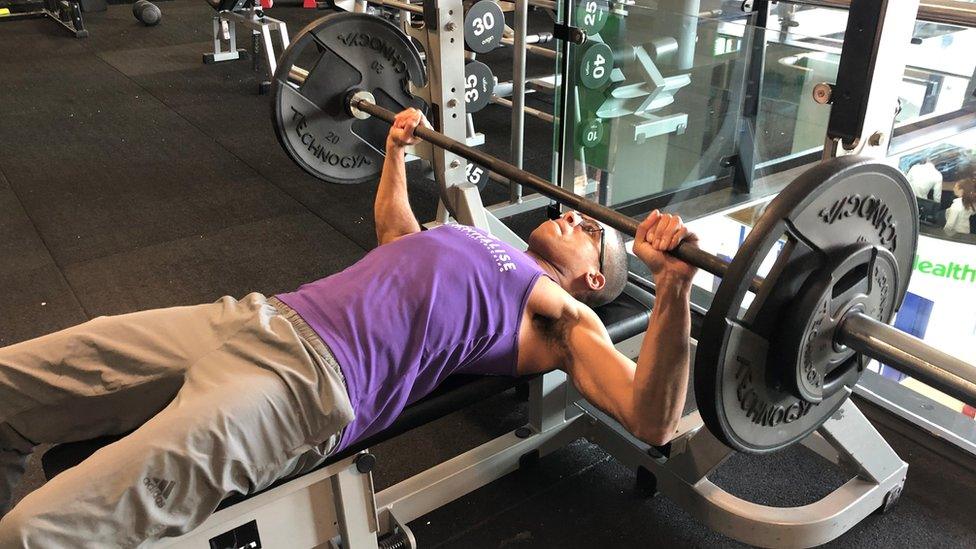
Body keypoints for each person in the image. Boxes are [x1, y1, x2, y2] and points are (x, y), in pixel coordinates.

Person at [0, 109, 698, 547]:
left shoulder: (559, 315)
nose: (574, 216)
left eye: (589, 231)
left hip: (302, 387)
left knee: (33, 533)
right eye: (577, 211)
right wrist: (396, 151)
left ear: (595, 280)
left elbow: (652, 418)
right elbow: (397, 234)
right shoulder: (480, 241)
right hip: (252, 314)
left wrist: (671, 284)